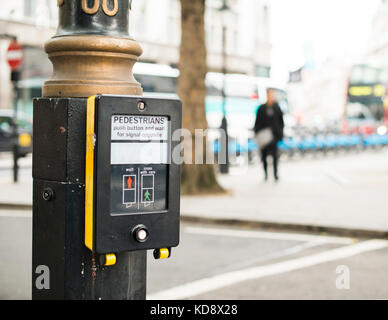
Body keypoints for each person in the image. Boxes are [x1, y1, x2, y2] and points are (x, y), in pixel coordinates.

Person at [254, 88, 284, 181]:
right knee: (264, 156)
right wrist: (258, 133)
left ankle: (275, 174)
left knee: (275, 156)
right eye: (269, 94)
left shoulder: (277, 108)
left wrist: (279, 133)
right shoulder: (261, 108)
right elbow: (257, 122)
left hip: (274, 136)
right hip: (264, 137)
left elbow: (281, 122)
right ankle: (266, 174)